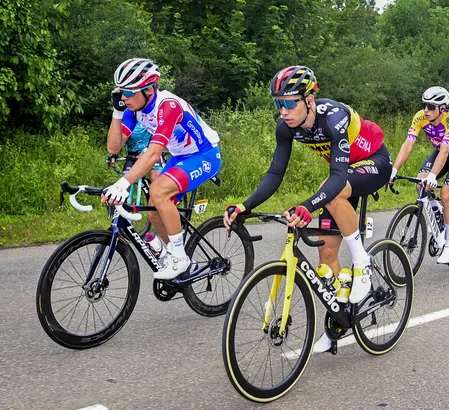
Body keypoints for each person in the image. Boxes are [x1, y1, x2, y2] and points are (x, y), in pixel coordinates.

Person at [222, 66, 391, 352]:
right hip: (343, 173)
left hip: (374, 162)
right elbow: (275, 172)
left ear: (309, 100)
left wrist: (307, 207)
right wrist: (245, 205)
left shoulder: (334, 117)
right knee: (326, 256)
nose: (284, 111)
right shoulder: (285, 127)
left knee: (332, 192)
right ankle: (340, 321)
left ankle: (362, 264)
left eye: (289, 103)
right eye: (278, 103)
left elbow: (337, 178)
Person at [102, 58, 221, 280]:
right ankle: (179, 254)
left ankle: (179, 257)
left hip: (205, 155)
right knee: (152, 206)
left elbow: (154, 153)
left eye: (128, 91)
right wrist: (117, 112)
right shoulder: (133, 108)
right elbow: (114, 146)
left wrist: (123, 183)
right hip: (180, 156)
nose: (124, 97)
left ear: (148, 89)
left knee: (158, 192)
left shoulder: (168, 106)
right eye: (121, 92)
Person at [389, 86, 449, 264]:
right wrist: (394, 169)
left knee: (446, 194)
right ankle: (438, 218)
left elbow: (444, 151)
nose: (426, 110)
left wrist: (433, 176)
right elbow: (408, 144)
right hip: (440, 152)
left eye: (431, 107)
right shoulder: (420, 117)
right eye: (424, 105)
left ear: (442, 108)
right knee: (421, 183)